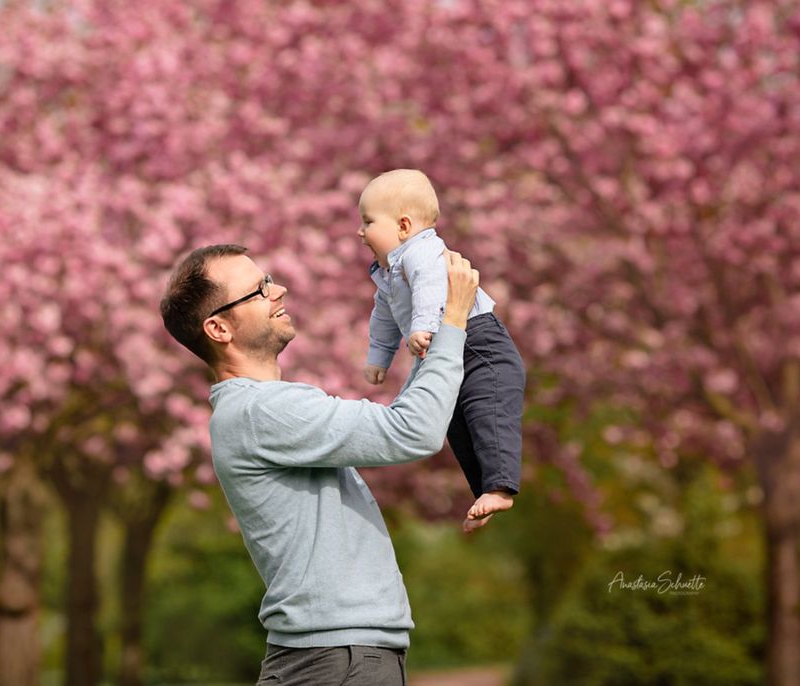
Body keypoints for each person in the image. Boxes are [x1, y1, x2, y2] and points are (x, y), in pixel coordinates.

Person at [159, 243, 480, 686]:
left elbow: (405, 423)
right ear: (218, 328)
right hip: (338, 660)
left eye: (269, 281)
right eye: (259, 291)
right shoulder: (263, 412)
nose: (280, 291)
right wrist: (453, 321)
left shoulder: (256, 412)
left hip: (336, 657)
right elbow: (414, 431)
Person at [358, 168, 527, 532]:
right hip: (446, 344)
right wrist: (378, 357)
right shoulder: (387, 273)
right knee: (453, 421)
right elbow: (383, 318)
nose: (360, 232)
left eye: (368, 221)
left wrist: (423, 326)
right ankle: (485, 490)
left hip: (480, 343)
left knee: (487, 410)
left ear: (403, 226)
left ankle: (499, 486)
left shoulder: (423, 252)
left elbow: (432, 288)